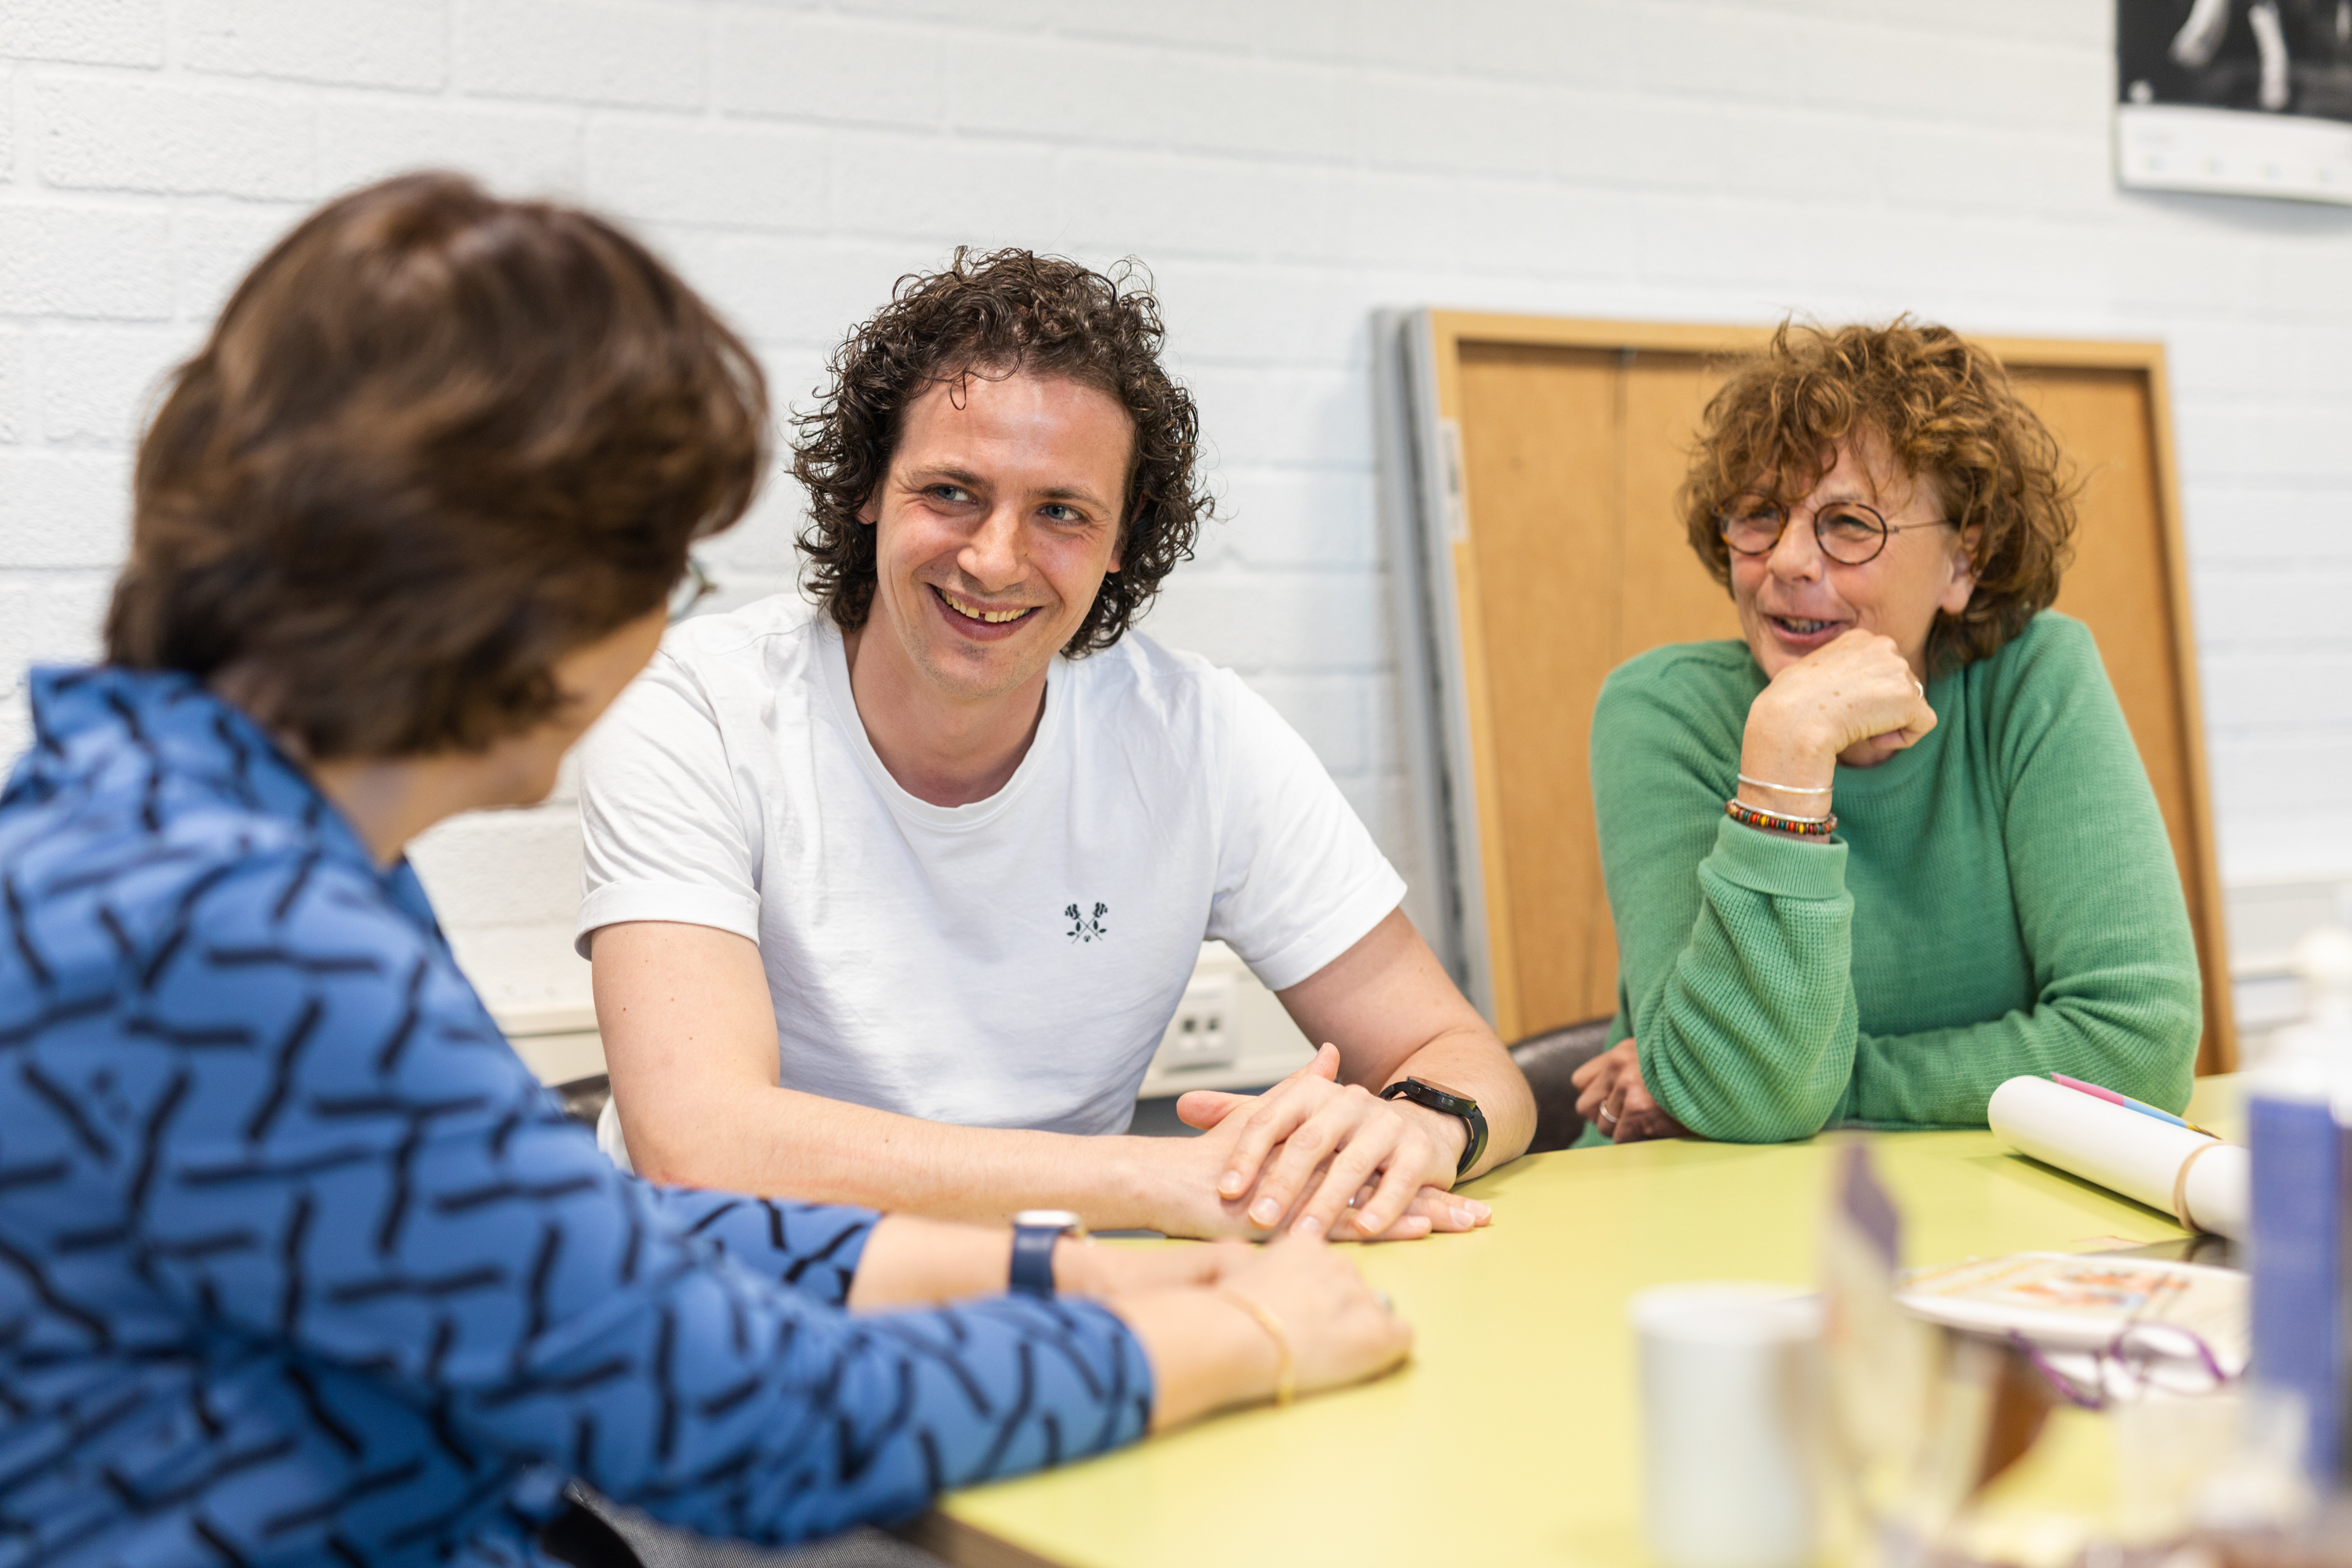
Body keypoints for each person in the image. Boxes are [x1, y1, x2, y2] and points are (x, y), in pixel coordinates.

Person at [0, 173, 1410, 1566]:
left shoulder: (185, 828)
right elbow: (734, 1418)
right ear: (504, 579)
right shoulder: (230, 935)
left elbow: (585, 1241)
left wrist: (1048, 1265)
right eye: (660, 572)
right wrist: (1240, 1336)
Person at [578, 249, 1534, 1241]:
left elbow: (1466, 1059)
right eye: (952, 491)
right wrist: (1161, 1179)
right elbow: (700, 1141)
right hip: (722, 1290)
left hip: (1053, 1288)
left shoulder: (1198, 736)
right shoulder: (697, 705)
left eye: (1061, 512)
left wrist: (1418, 1124)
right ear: (869, 487)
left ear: (1122, 539)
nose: (995, 560)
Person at [1570, 319, 2202, 1145]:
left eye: (1848, 524)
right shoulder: (1662, 710)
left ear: (1963, 562)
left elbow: (2137, 1046)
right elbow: (1743, 1100)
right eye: (1759, 515)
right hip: (1689, 1200)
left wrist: (1833, 1083)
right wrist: (1787, 756)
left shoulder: (2035, 679)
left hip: (1970, 1197)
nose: (1787, 560)